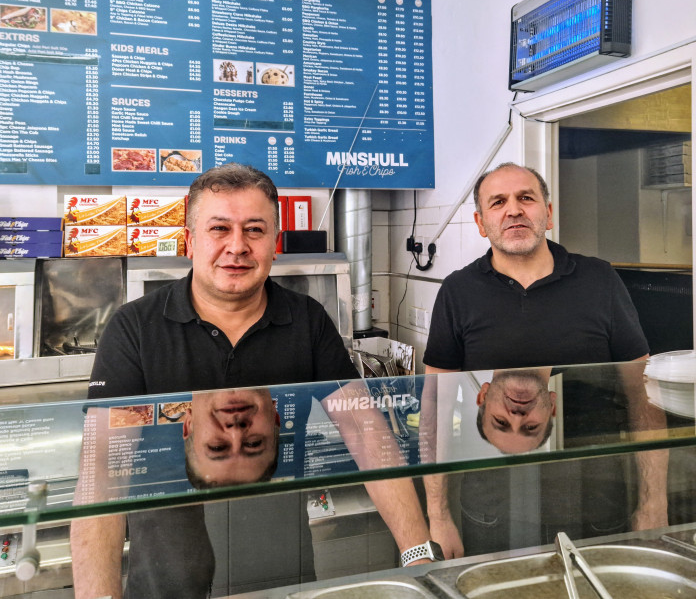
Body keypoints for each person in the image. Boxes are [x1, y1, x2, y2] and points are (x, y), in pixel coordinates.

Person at [71, 163, 433, 599]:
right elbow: (102, 472)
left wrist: (419, 557)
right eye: (219, 228)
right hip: (166, 577)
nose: (237, 247)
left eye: (255, 230)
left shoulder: (307, 321)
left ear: (275, 244)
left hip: (281, 571)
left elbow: (365, 431)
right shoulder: (135, 328)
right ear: (190, 241)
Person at [422, 162, 668, 558]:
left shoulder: (600, 281)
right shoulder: (458, 292)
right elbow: (436, 408)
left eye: (526, 198)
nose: (514, 210)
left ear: (548, 214)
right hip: (490, 500)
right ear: (481, 223)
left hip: (596, 493)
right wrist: (438, 515)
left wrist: (654, 501)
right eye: (498, 202)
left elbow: (644, 398)